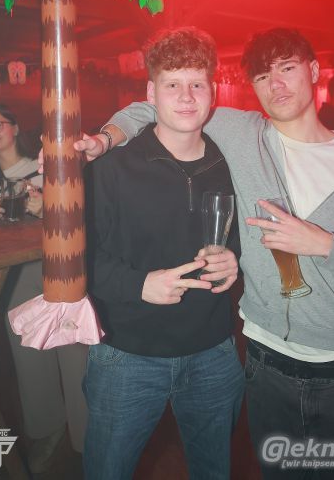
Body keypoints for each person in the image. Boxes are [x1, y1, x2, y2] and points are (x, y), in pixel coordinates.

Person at [79, 27, 334, 479]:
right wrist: (104, 139)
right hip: (262, 365)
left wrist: (326, 245)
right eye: (262, 76)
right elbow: (159, 103)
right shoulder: (241, 134)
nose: (277, 84)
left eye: (287, 68)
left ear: (315, 71)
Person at [83, 27, 244, 480]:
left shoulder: (231, 162)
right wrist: (139, 284)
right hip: (126, 355)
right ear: (151, 93)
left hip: (215, 353)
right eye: (173, 84)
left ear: (213, 92)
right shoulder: (111, 167)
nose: (187, 97)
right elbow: (76, 261)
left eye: (197, 84)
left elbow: (246, 237)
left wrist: (234, 259)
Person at [0, 103, 88, 474]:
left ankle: (87, 438)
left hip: (58, 270)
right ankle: (47, 429)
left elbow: (79, 217)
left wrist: (43, 207)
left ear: (14, 127)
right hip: (13, 278)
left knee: (74, 352)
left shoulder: (44, 168)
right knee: (29, 358)